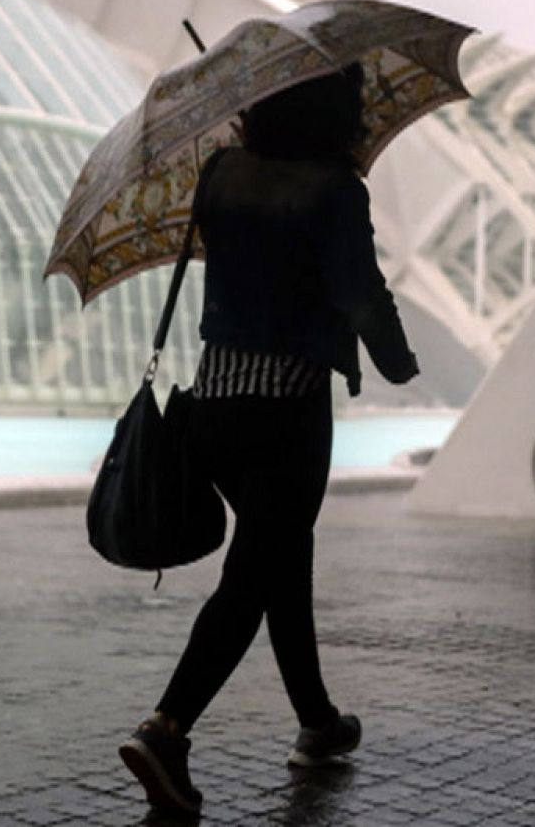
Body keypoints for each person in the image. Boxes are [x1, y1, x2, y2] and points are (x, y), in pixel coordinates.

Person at [118, 63, 419, 817]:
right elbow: (358, 293)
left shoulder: (220, 172)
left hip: (215, 404)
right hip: (287, 409)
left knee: (281, 555)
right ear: (337, 114)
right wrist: (397, 360)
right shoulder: (335, 189)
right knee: (253, 577)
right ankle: (167, 729)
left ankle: (317, 721)